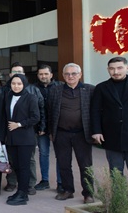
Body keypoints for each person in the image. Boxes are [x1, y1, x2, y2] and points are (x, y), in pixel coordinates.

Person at [47, 63, 96, 204]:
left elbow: (97, 112)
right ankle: (68, 190)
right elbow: (50, 111)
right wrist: (51, 131)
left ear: (80, 75)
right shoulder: (55, 90)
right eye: (67, 74)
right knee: (63, 163)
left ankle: (88, 193)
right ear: (63, 76)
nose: (70, 76)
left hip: (82, 134)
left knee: (85, 165)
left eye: (74, 73)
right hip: (61, 134)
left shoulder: (90, 90)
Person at [1, 63, 44, 195]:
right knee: (15, 164)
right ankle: (17, 188)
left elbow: (36, 117)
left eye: (19, 83)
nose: (16, 86)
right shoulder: (8, 96)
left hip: (25, 137)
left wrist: (19, 124)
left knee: (25, 165)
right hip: (11, 138)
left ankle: (24, 191)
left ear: (24, 84)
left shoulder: (31, 97)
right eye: (14, 83)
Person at [34, 65, 63, 192]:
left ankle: (61, 182)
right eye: (41, 74)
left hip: (58, 126)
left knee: (60, 155)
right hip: (41, 127)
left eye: (46, 74)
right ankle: (44, 180)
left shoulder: (60, 87)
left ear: (51, 75)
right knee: (43, 154)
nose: (43, 76)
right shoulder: (33, 88)